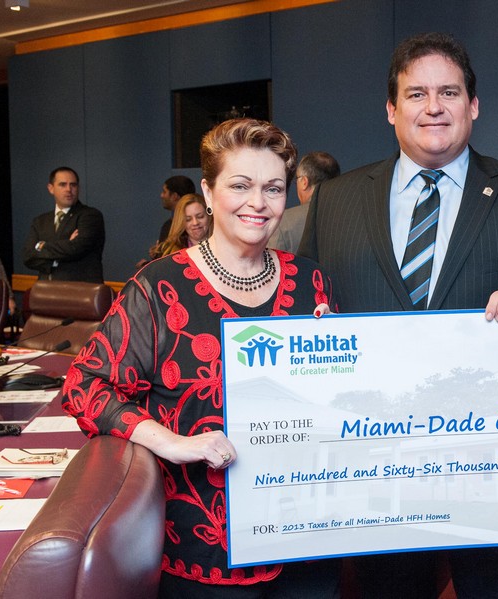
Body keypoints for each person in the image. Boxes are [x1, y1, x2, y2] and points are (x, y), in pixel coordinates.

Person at [300, 32, 498, 599]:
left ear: (473, 107)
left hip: (491, 473)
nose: (434, 107)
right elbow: (306, 309)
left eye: (449, 92)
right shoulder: (337, 201)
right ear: (391, 109)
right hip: (371, 468)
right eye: (416, 94)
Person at [63, 118, 340, 598]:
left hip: (304, 539)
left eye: (273, 188)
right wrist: (170, 442)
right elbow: (85, 385)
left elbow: (336, 400)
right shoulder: (158, 286)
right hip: (204, 550)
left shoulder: (311, 281)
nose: (258, 202)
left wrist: (341, 361)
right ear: (208, 193)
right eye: (240, 185)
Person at [21, 167, 105, 283]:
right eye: (62, 185)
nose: (69, 189)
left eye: (73, 185)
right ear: (51, 188)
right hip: (47, 292)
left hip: (82, 292)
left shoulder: (90, 216)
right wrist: (58, 257)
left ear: (78, 188)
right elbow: (28, 256)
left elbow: (76, 248)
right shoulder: (40, 221)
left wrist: (41, 246)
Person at [267, 151, 340, 253]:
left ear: (304, 182)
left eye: (297, 179)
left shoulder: (283, 223)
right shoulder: (350, 218)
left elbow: (272, 266)